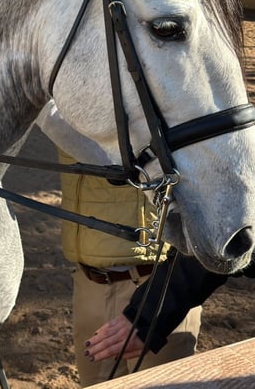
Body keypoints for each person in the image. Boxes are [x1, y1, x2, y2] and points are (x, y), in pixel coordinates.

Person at [36, 101, 202, 387]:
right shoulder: (71, 104)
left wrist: (41, 103)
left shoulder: (157, 101)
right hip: (89, 285)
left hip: (155, 286)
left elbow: (105, 153)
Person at [83, 202, 255, 365]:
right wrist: (148, 312)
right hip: (92, 282)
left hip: (153, 270)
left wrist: (149, 311)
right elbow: (228, 241)